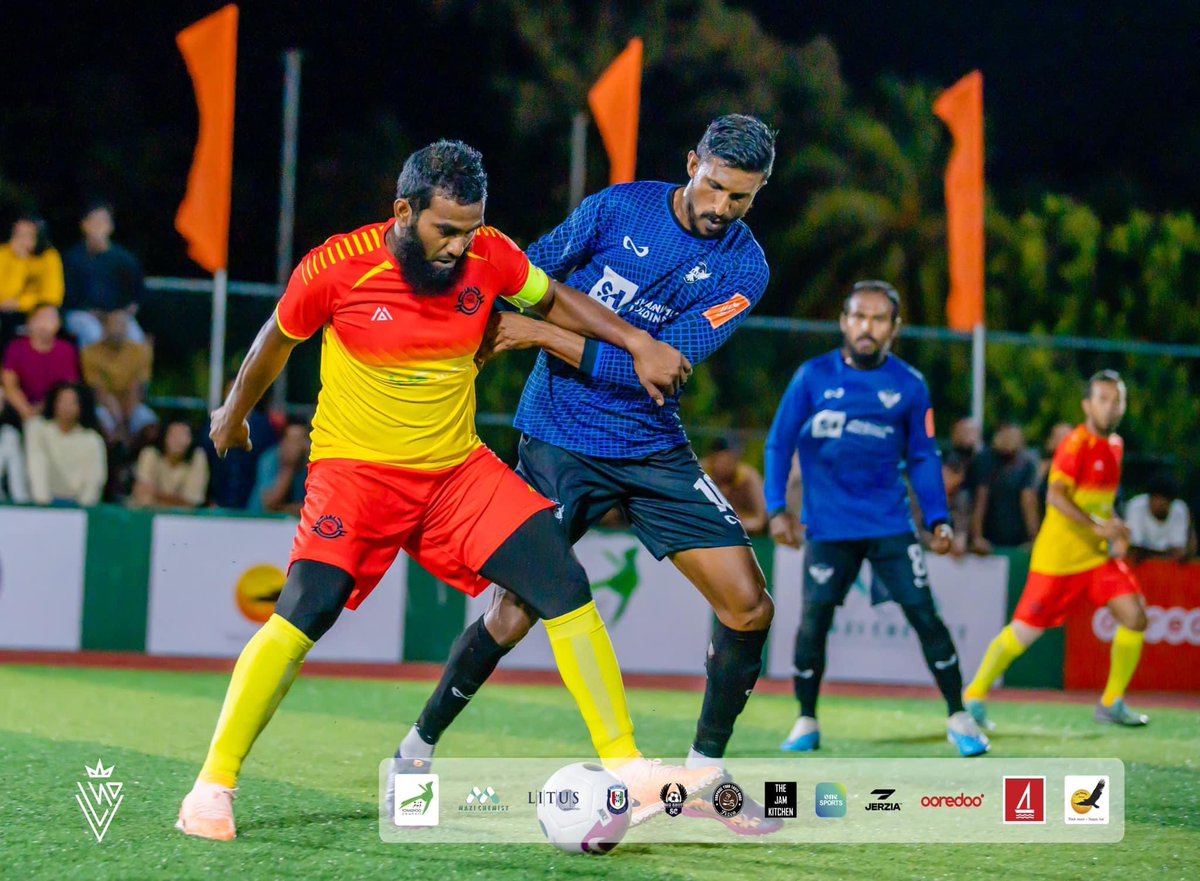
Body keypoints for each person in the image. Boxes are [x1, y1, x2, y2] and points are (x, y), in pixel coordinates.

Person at [176, 140, 717, 842]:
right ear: (404, 210)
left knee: (560, 576)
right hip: (356, 475)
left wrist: (639, 342)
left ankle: (628, 763)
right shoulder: (337, 268)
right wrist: (233, 411)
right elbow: (274, 342)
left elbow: (553, 296)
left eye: (471, 229)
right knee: (305, 611)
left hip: (454, 472)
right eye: (446, 230)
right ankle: (212, 785)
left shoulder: (489, 253)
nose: (462, 247)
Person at [396, 116, 778, 833]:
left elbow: (659, 368)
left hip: (650, 441)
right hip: (557, 436)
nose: (723, 207)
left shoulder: (745, 267)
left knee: (749, 604)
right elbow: (527, 272)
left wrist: (540, 333)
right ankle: (416, 748)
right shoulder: (617, 207)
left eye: (743, 198)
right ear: (692, 161)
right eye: (716, 186)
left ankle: (703, 771)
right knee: (515, 611)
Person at [763, 280, 989, 758]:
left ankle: (958, 715)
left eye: (879, 319)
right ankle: (806, 719)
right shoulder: (812, 377)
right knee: (813, 622)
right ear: (845, 322)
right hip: (828, 527)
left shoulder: (909, 384)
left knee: (925, 615)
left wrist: (939, 519)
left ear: (894, 328)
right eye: (859, 316)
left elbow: (924, 457)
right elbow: (779, 443)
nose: (867, 327)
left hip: (890, 525)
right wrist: (777, 508)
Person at [964, 371, 1150, 728]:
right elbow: (1055, 497)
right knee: (1023, 634)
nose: (1110, 407)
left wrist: (1116, 528)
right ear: (1087, 404)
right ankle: (973, 695)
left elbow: (1101, 502)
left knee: (1135, 616)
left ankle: (1111, 703)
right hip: (1058, 561)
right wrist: (1099, 527)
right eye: (1103, 399)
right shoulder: (1075, 445)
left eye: (1117, 400)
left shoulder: (1115, 446)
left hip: (1096, 558)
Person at [62, 201, 148, 349]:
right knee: (92, 333)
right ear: (84, 224)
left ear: (111, 226)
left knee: (136, 339)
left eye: (103, 221)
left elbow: (136, 296)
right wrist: (97, 314)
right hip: (83, 315)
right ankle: (93, 372)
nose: (98, 225)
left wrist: (120, 314)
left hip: (116, 315)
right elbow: (68, 299)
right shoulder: (72, 259)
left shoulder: (125, 259)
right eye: (94, 221)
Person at [80, 309, 157, 443]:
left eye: (121, 325)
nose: (117, 330)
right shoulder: (89, 353)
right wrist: (119, 424)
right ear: (104, 328)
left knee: (149, 425)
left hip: (132, 404)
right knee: (102, 423)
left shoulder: (141, 352)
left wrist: (127, 422)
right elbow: (100, 392)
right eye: (113, 325)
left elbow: (136, 389)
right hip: (105, 406)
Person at [24, 382, 106, 506]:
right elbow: (36, 465)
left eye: (73, 402)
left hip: (78, 506)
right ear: (54, 403)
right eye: (63, 401)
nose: (67, 407)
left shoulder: (92, 440)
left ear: (81, 407)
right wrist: (42, 504)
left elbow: (95, 480)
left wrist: (84, 509)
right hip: (44, 504)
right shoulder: (39, 430)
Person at [968, 422, 1041, 552]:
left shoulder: (1026, 463)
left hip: (1017, 534)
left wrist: (1034, 538)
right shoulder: (984, 460)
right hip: (989, 532)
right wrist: (977, 537)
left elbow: (1028, 502)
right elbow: (980, 500)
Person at [2, 304, 79, 422]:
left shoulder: (67, 350)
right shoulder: (15, 348)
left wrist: (42, 408)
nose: (45, 324)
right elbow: (10, 385)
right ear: (29, 322)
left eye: (50, 319)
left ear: (58, 324)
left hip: (53, 408)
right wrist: (25, 410)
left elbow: (69, 385)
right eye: (41, 318)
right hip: (18, 407)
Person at [0, 215, 64, 346]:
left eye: (28, 235)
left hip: (35, 309)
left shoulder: (49, 256)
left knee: (48, 317)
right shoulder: (4, 254)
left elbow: (53, 296)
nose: (22, 240)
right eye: (18, 235)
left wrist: (21, 303)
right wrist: (19, 261)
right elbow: (5, 295)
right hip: (6, 310)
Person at [130, 420, 208, 509]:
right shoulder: (150, 453)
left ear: (191, 440)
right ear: (165, 437)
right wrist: (176, 500)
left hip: (182, 519)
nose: (178, 441)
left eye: (183, 436)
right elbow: (143, 496)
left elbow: (192, 502)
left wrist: (157, 495)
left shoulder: (198, 457)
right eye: (174, 436)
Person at [700, 437, 768, 534]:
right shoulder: (700, 474)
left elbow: (761, 520)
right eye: (720, 461)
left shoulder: (748, 477)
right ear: (711, 459)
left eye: (729, 461)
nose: (724, 466)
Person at [1124, 472, 1195, 563]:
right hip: (1140, 564)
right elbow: (1134, 549)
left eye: (1164, 499)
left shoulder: (1179, 510)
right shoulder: (1136, 506)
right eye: (1156, 498)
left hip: (1165, 564)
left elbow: (1178, 552)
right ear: (1149, 498)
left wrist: (1149, 554)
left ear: (1171, 502)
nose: (1160, 503)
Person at [246, 418, 309, 515]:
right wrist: (289, 468)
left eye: (300, 440)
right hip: (261, 520)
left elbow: (319, 505)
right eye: (291, 440)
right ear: (283, 442)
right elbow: (269, 504)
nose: (296, 446)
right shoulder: (269, 458)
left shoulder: (315, 462)